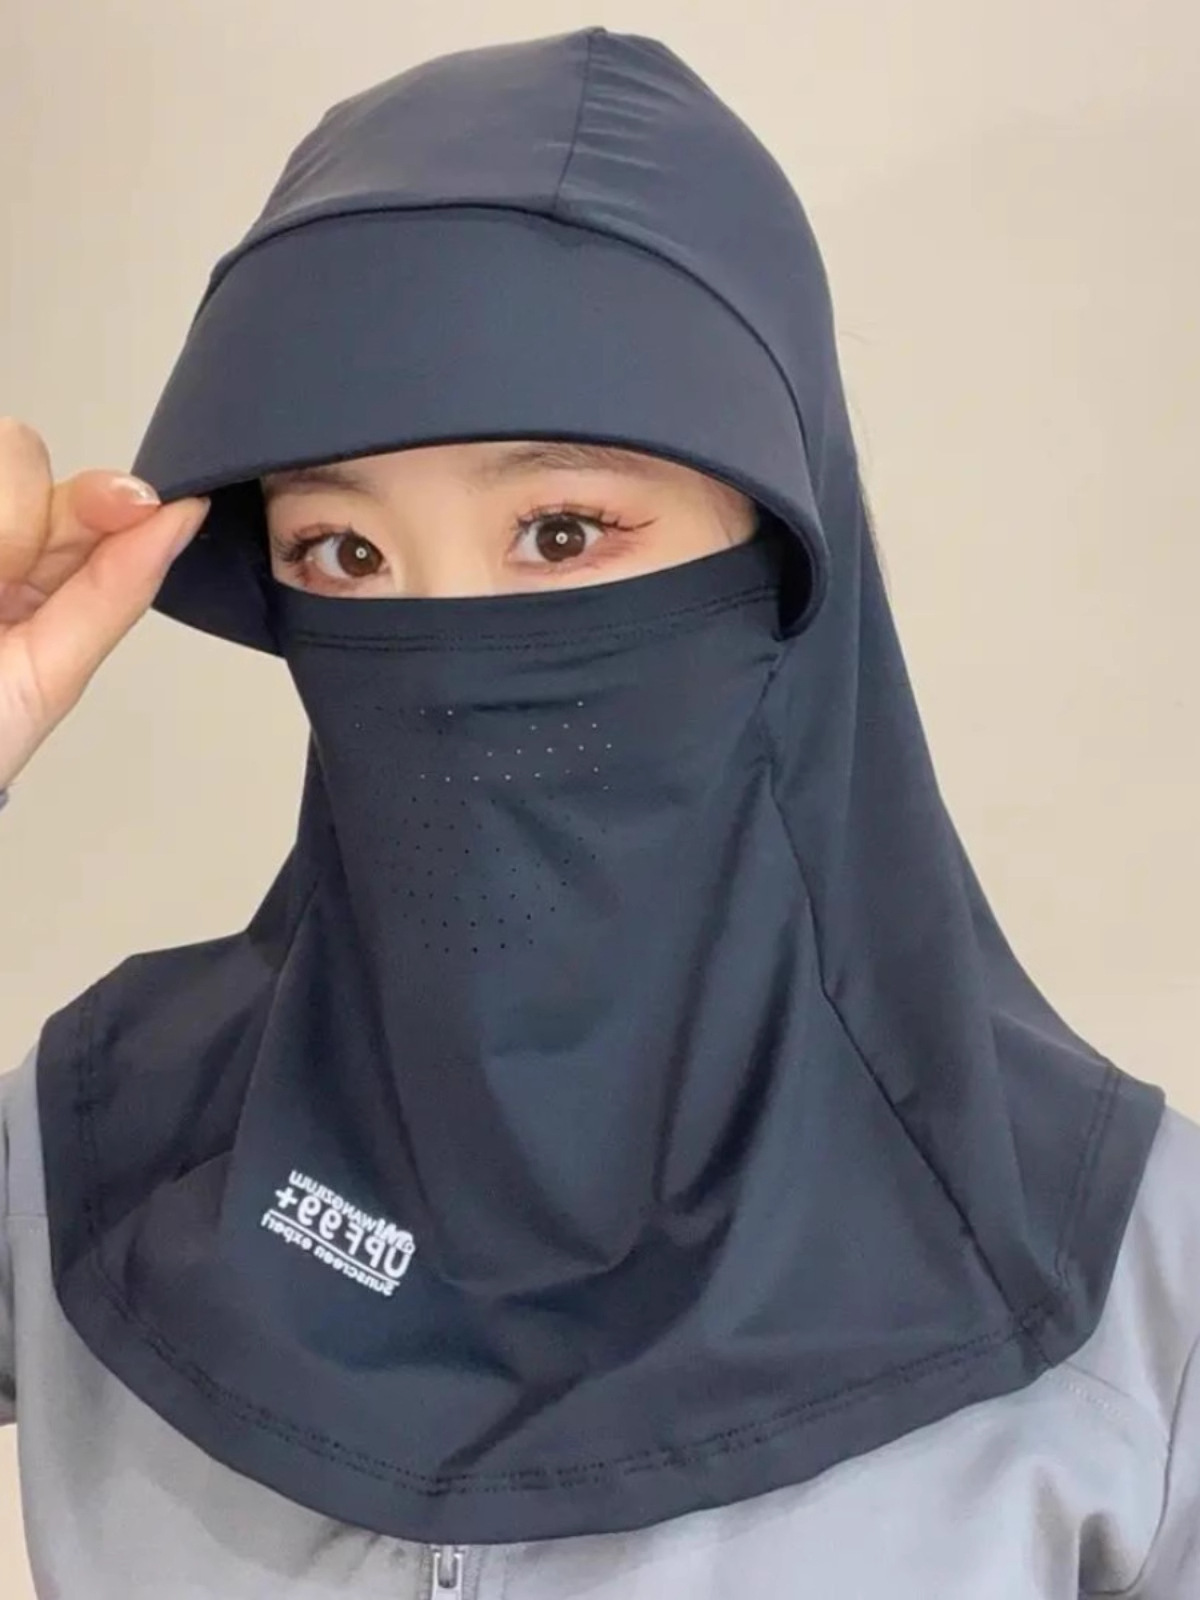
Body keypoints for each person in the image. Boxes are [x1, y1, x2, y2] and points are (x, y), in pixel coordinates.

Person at [0, 26, 1196, 1600]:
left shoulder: (1124, 1284)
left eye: (560, 532)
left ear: (781, 559)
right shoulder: (102, 1150)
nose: (445, 651)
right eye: (342, 554)